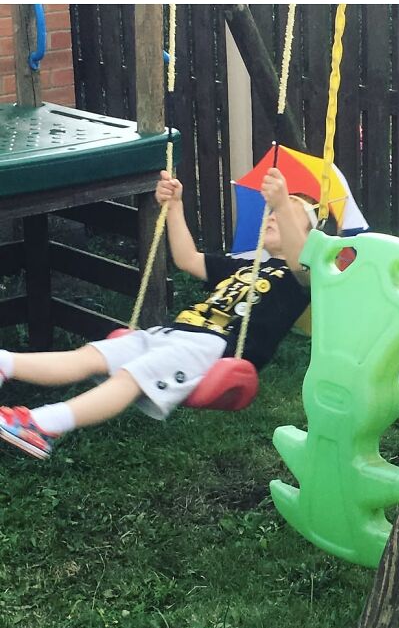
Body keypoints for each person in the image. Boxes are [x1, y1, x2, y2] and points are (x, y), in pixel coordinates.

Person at [0, 167, 314, 460]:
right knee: (89, 356)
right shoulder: (246, 265)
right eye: (272, 212)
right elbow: (188, 259)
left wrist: (284, 203)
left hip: (212, 347)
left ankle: (42, 424)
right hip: (173, 334)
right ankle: (5, 363)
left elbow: (303, 261)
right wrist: (175, 207)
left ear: (310, 238)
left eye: (288, 213)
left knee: (131, 376)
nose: (273, 216)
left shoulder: (304, 278)